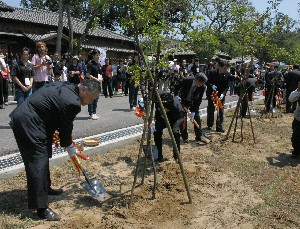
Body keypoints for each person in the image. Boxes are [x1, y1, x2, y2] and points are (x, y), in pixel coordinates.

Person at [9, 79, 101, 221]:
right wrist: (69, 146)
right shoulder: (73, 102)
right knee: (38, 160)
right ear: (83, 89)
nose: (91, 102)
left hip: (35, 119)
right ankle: (41, 208)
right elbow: (65, 127)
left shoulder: (68, 86)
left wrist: (67, 143)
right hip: (29, 122)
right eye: (92, 98)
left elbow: (57, 113)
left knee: (43, 155)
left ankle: (45, 187)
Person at [175, 73, 209, 143]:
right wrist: (176, 96)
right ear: (196, 80)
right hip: (183, 101)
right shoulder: (186, 80)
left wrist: (193, 111)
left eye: (202, 83)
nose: (201, 85)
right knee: (183, 119)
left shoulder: (202, 87)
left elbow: (199, 100)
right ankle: (185, 137)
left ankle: (199, 136)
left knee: (197, 117)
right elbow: (176, 86)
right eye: (200, 83)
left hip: (192, 103)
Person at [153, 91, 185, 162]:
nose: (164, 106)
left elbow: (181, 116)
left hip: (175, 118)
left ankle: (176, 156)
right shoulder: (157, 99)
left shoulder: (176, 103)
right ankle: (159, 155)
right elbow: (158, 111)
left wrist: (175, 127)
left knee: (175, 134)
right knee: (157, 132)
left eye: (165, 105)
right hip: (162, 118)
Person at [206, 61, 232, 132]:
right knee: (211, 109)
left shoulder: (227, 74)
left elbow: (227, 86)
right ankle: (209, 124)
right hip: (212, 93)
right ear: (220, 67)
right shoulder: (212, 72)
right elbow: (207, 82)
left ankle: (219, 126)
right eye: (223, 68)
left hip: (221, 94)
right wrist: (211, 85)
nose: (225, 70)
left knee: (220, 110)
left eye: (226, 69)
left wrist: (223, 94)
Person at [86, 49, 103, 120]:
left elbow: (100, 74)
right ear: (93, 56)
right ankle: (91, 113)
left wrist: (101, 79)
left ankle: (94, 112)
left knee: (96, 98)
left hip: (97, 83)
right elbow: (88, 75)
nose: (98, 56)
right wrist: (96, 79)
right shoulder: (90, 63)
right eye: (96, 55)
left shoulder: (98, 64)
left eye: (99, 55)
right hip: (91, 83)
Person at [288, 82, 300, 159]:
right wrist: (298, 90)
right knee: (296, 136)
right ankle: (297, 151)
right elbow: (291, 99)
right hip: (298, 118)